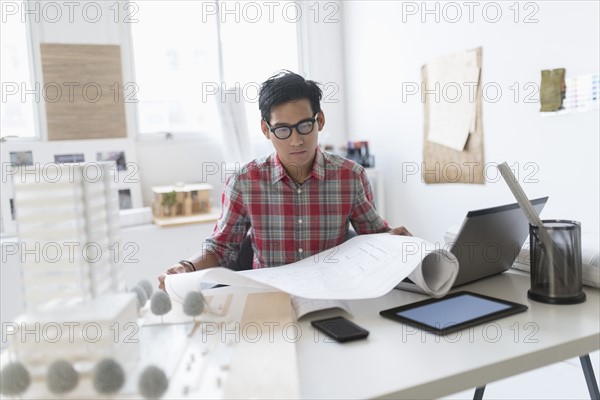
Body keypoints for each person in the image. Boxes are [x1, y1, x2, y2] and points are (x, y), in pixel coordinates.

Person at [158, 71, 410, 290]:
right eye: (282, 130)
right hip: (267, 296)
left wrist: (395, 241)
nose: (296, 140)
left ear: (319, 120)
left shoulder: (350, 176)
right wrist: (187, 267)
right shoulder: (245, 181)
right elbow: (220, 247)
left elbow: (375, 237)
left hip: (334, 293)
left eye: (304, 126)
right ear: (266, 130)